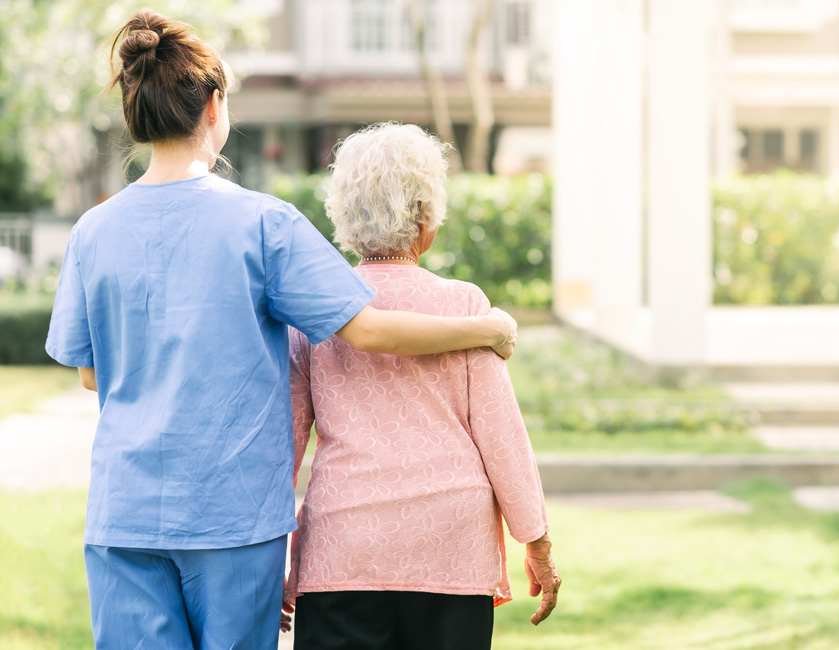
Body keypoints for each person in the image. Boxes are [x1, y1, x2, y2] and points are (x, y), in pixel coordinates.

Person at [44, 11, 517, 650]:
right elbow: (370, 331)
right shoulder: (263, 225)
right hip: (233, 519)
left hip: (124, 515)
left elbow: (90, 373)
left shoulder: (91, 232)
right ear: (214, 107)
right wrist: (480, 329)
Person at [282, 123, 561, 650]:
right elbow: (503, 439)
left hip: (345, 548)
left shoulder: (315, 314)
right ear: (426, 220)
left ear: (343, 215)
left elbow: (284, 446)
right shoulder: (465, 307)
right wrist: (538, 545)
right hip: (451, 545)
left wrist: (271, 555)